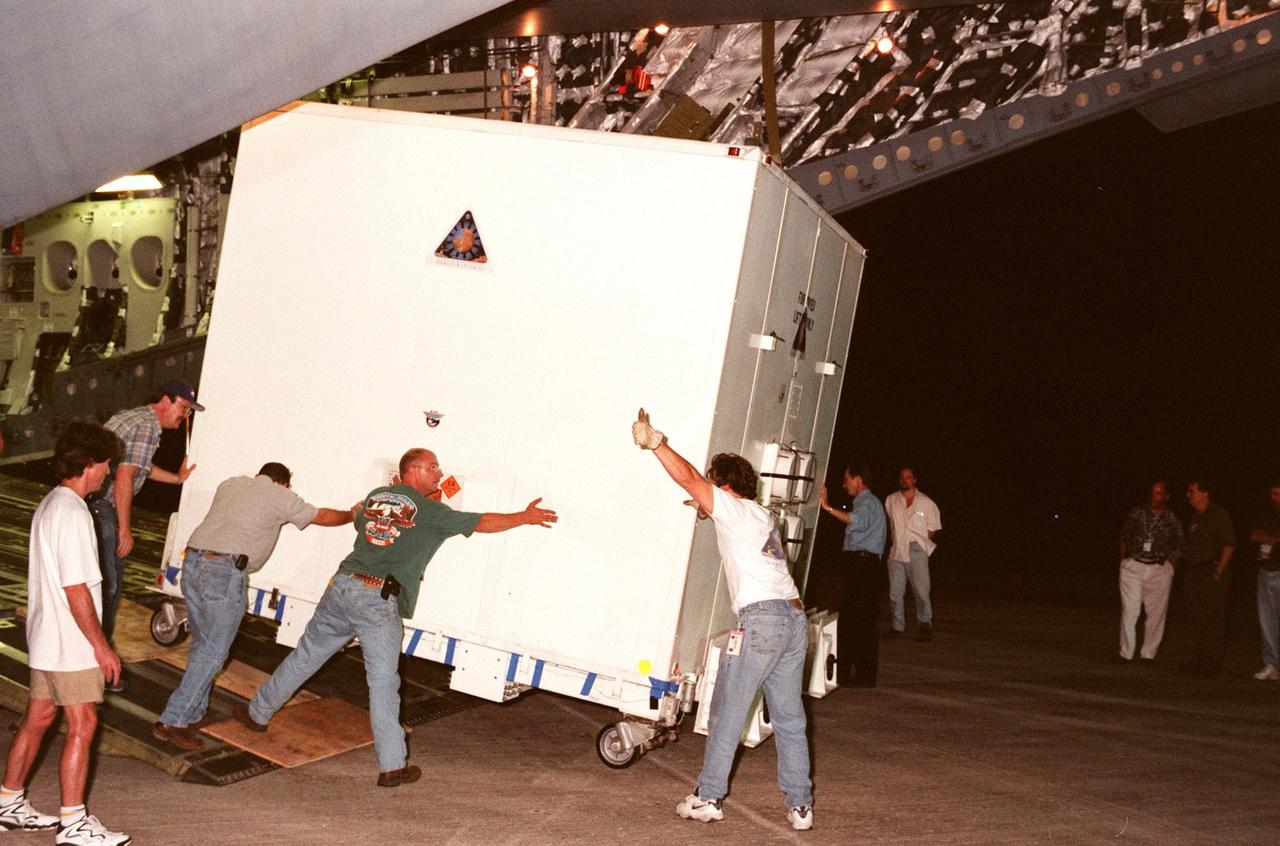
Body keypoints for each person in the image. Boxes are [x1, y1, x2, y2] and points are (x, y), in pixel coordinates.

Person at [233, 448, 557, 786]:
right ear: (413, 470)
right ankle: (392, 765)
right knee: (384, 682)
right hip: (375, 598)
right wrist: (524, 516)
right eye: (433, 467)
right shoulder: (432, 511)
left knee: (306, 656)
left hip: (341, 587)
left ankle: (256, 713)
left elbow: (361, 518)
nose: (439, 472)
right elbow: (481, 522)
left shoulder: (376, 496)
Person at [632, 409, 813, 832]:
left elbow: (690, 478)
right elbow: (712, 503)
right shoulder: (762, 515)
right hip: (793, 618)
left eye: (715, 482)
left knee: (727, 712)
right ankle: (800, 806)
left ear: (725, 485)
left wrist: (655, 442)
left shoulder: (731, 508)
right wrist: (704, 505)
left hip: (762, 621)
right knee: (789, 718)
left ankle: (708, 797)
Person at [151, 462, 360, 750]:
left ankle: (193, 712)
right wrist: (352, 514)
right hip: (222, 573)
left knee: (204, 645)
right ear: (284, 483)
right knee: (213, 652)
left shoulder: (231, 483)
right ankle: (172, 720)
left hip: (194, 564)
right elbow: (321, 516)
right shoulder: (278, 494)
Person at [0, 420, 132, 845]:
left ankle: (8, 802)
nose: (109, 473)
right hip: (71, 642)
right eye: (106, 465)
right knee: (84, 722)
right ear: (89, 464)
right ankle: (74, 822)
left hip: (46, 637)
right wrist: (101, 646)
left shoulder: (50, 503)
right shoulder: (74, 512)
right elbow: (76, 587)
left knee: (38, 717)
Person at [89, 379, 201, 679]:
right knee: (108, 587)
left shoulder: (135, 418)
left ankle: (93, 654)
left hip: (92, 505)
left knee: (98, 584)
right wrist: (124, 529)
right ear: (166, 400)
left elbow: (142, 467)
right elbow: (125, 477)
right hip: (104, 509)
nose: (185, 416)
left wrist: (177, 479)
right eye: (184, 408)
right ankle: (98, 659)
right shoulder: (147, 427)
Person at [819, 463, 887, 686]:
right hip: (862, 565)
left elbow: (855, 520)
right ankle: (852, 672)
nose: (843, 484)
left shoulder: (867, 502)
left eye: (846, 479)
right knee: (857, 620)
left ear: (858, 479)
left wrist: (827, 507)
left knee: (857, 621)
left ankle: (860, 675)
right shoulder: (868, 502)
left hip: (862, 566)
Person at [1117, 479, 1183, 663]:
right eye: (1153, 492)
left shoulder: (1172, 520)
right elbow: (1124, 536)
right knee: (1130, 611)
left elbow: (1178, 547)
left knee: (1156, 613)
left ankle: (1148, 654)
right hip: (1134, 566)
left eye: (1159, 493)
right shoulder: (1137, 514)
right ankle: (1125, 653)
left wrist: (1171, 570)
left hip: (1158, 568)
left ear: (1166, 496)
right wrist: (1124, 561)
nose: (1155, 497)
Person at [1178, 478, 1235, 676]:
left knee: (1214, 619)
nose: (1188, 494)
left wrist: (1218, 571)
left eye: (1191, 490)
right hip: (1194, 571)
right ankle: (1199, 660)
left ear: (1204, 493)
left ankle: (1211, 666)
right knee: (1197, 617)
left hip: (1211, 571)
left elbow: (1229, 545)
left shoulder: (1218, 514)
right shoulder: (1195, 517)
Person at [883, 467, 942, 641]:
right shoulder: (891, 500)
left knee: (921, 591)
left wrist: (920, 545)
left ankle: (925, 624)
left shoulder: (926, 502)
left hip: (916, 550)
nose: (905, 480)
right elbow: (891, 522)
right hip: (896, 551)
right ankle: (897, 626)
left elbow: (933, 527)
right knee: (895, 592)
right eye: (902, 477)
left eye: (908, 477)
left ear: (914, 480)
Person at [1250, 481, 1280, 681]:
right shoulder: (1267, 513)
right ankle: (1271, 664)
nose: (1274, 498)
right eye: (1272, 494)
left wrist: (1269, 537)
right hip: (1265, 571)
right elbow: (1254, 535)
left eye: (1278, 493)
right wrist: (1270, 537)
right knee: (1267, 621)